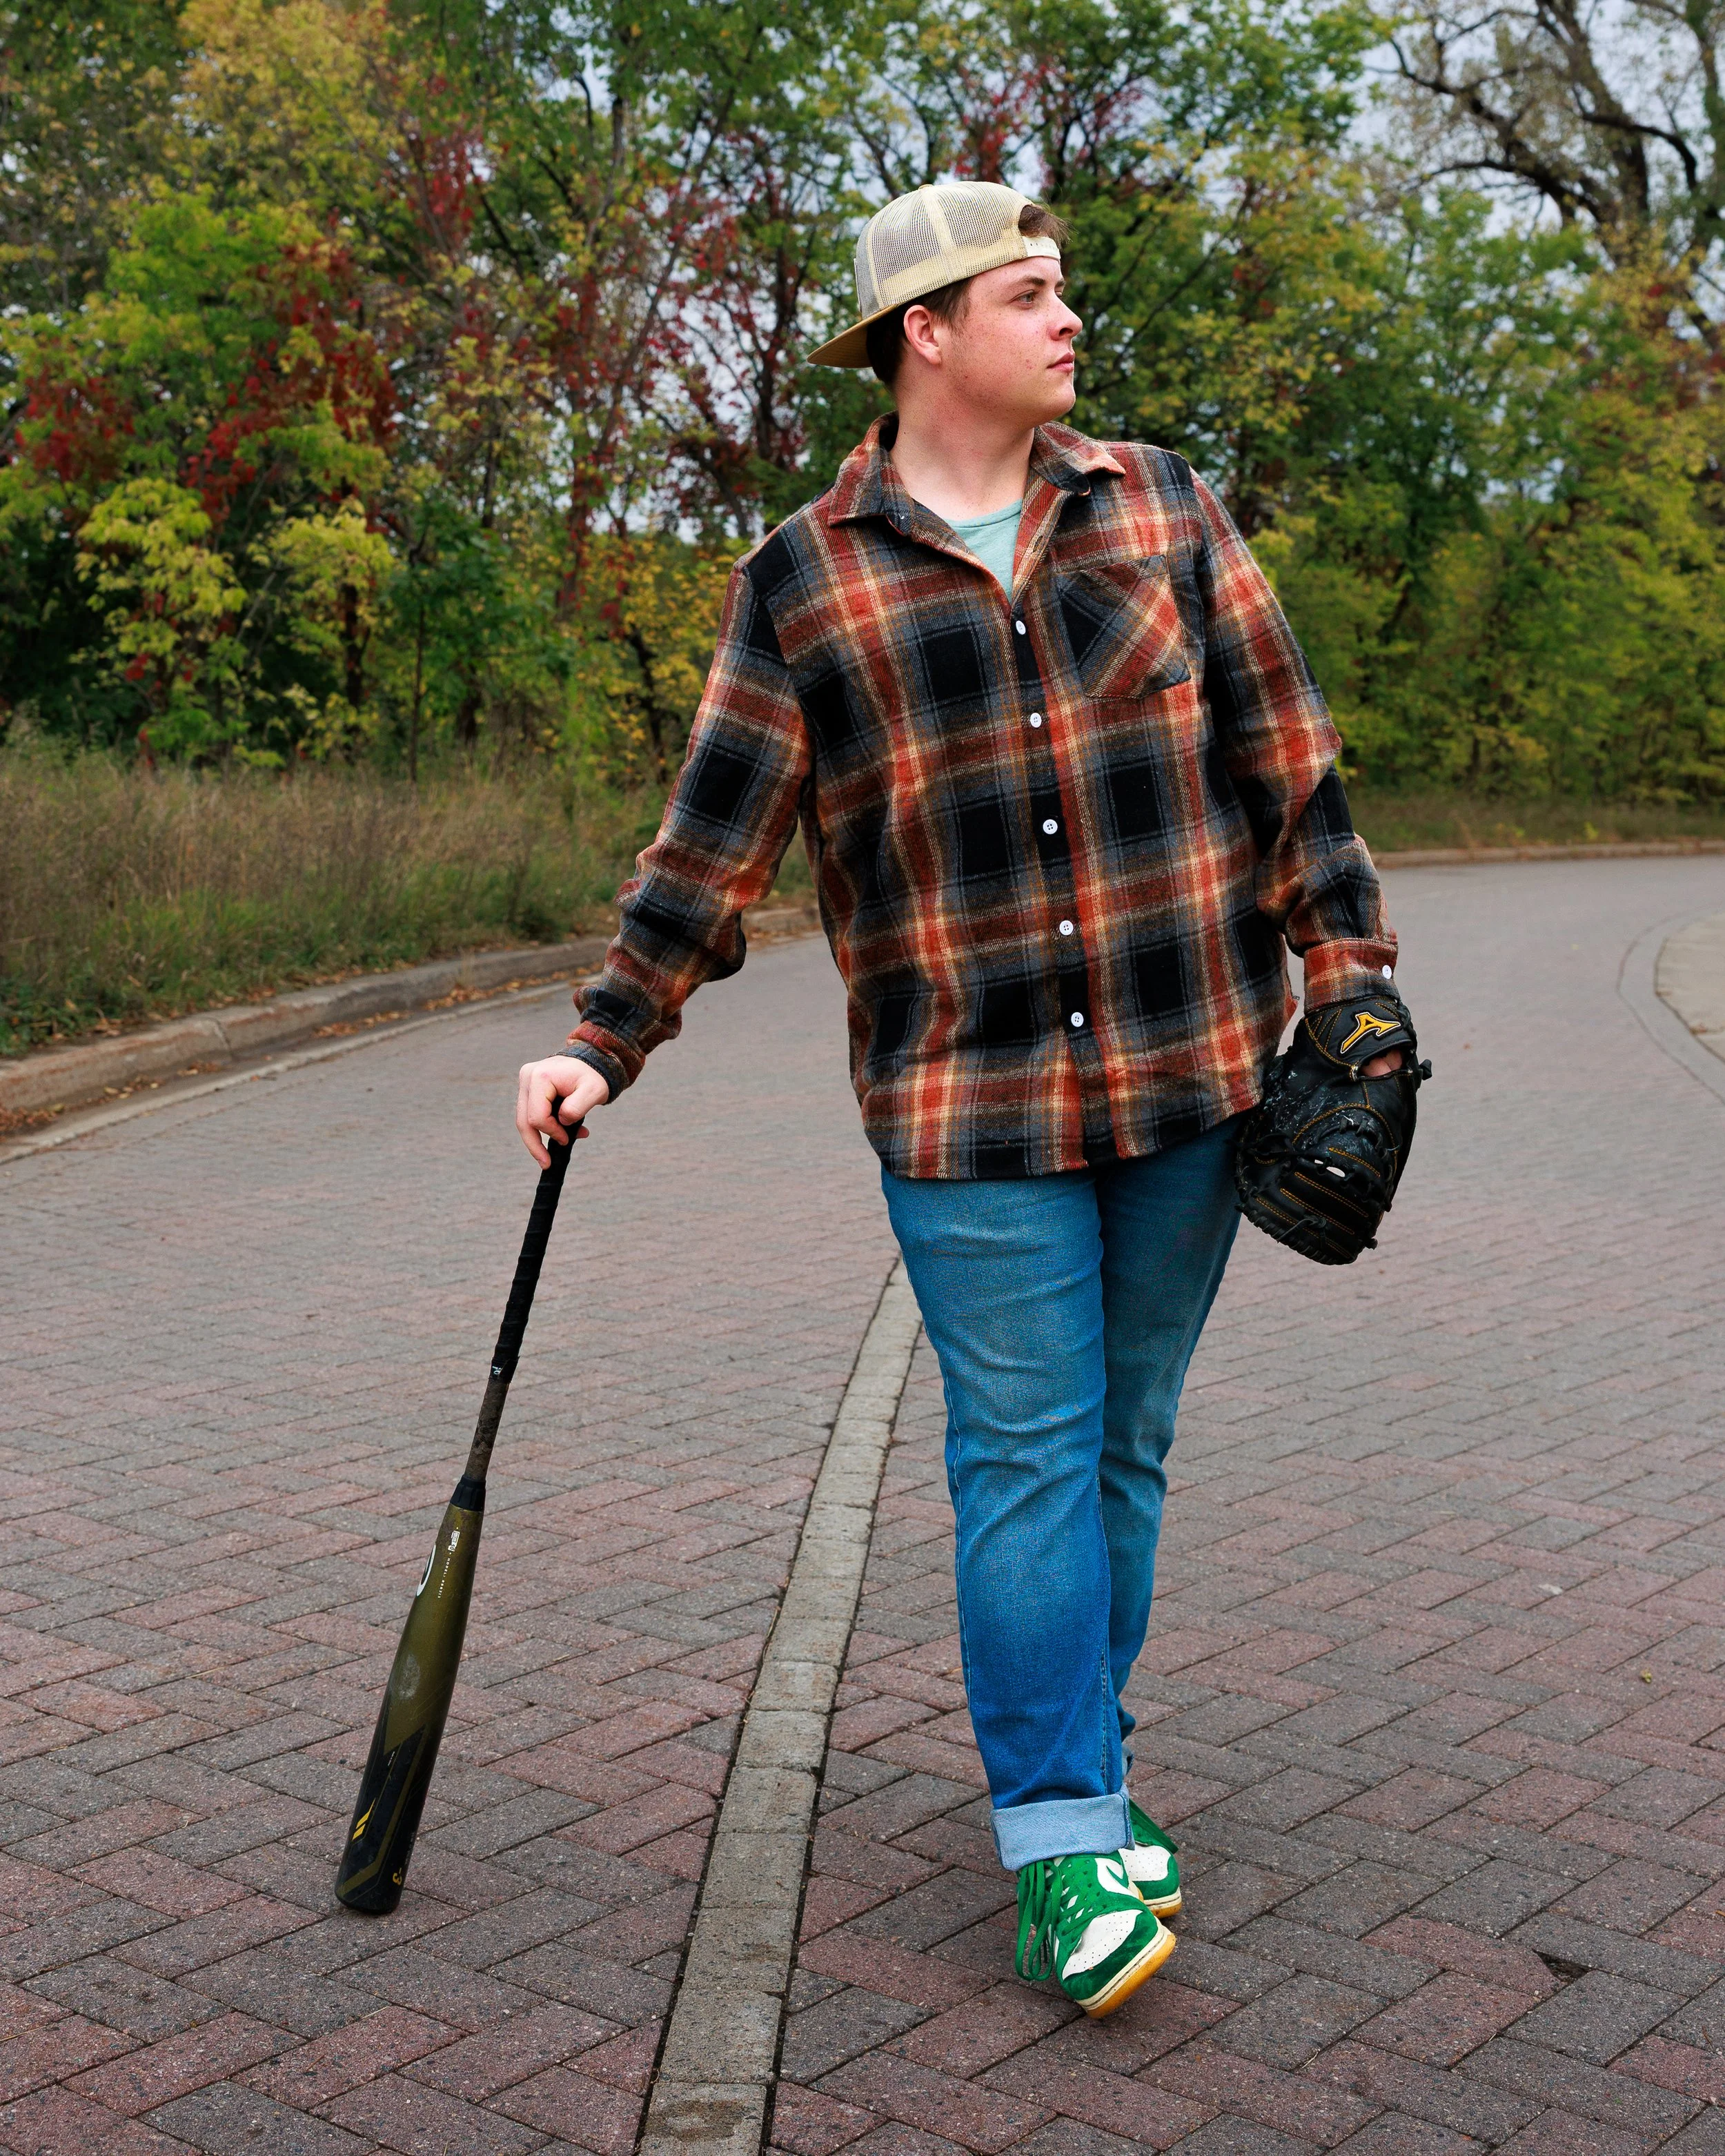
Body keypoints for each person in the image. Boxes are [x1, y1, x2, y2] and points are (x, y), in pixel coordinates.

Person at [515, 181, 1404, 2020]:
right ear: (926, 332)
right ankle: (1062, 1838)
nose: (1066, 315)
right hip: (964, 1110)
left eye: (1060, 285)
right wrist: (601, 1039)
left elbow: (1284, 758)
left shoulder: (1156, 504)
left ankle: (1079, 1754)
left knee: (1120, 1447)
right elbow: (711, 850)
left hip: (1187, 1074)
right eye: (1028, 291)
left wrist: (1355, 981)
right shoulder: (805, 583)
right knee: (1020, 1453)